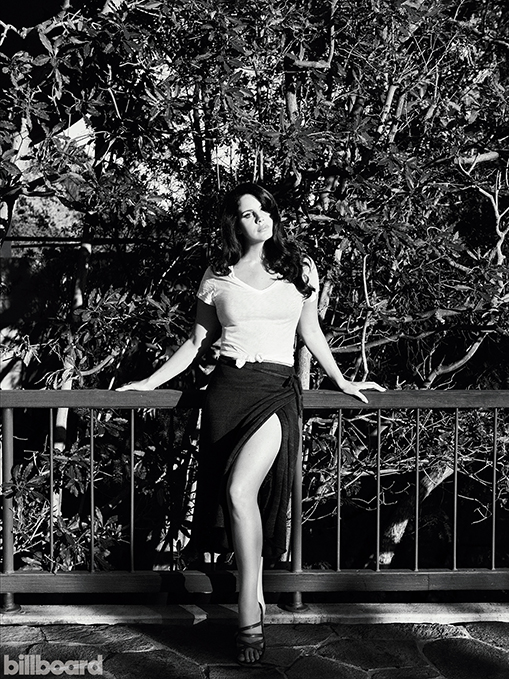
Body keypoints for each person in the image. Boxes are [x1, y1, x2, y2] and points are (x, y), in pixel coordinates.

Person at [117, 182, 384, 666]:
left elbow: (310, 330)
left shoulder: (300, 268)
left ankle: (247, 611)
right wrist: (149, 382)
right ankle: (255, 593)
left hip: (275, 392)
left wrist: (342, 379)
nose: (259, 218)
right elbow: (196, 343)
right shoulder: (217, 275)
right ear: (234, 224)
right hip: (227, 392)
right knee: (238, 499)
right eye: (247, 213)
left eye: (265, 210)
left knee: (241, 490)